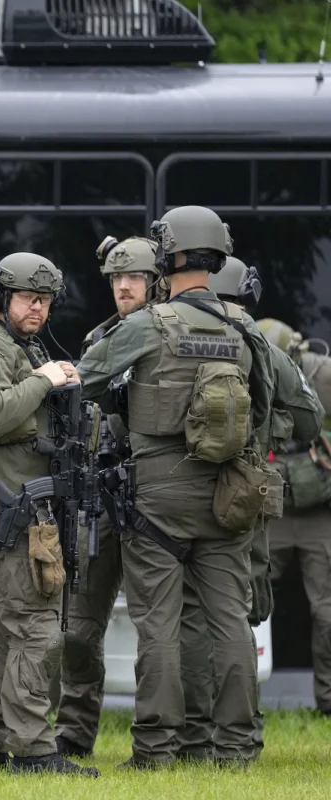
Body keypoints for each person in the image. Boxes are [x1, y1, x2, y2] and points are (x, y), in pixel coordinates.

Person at [77, 206, 274, 768]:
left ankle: (157, 750)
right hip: (226, 495)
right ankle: (238, 750)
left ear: (169, 257)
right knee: (230, 621)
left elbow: (84, 377)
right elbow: (263, 407)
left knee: (157, 626)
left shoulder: (148, 324)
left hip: (157, 497)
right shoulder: (243, 329)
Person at [0, 253, 97, 776]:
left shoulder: (19, 346)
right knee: (35, 626)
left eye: (46, 300)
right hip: (3, 505)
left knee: (6, 629)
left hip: (24, 501)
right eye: (30, 298)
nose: (39, 309)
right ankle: (32, 749)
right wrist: (46, 381)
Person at [207, 260, 324, 758]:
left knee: (199, 615)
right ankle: (233, 729)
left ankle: (187, 734)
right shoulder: (240, 345)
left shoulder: (308, 368)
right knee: (239, 608)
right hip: (249, 499)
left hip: (303, 508)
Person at [56, 236, 159, 758]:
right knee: (78, 627)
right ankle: (73, 736)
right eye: (117, 279)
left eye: (134, 277)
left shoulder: (167, 335)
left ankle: (161, 737)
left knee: (157, 627)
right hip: (99, 492)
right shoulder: (101, 337)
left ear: (154, 281)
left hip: (151, 498)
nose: (123, 286)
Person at [258, 316, 331, 718]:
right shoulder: (246, 374)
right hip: (271, 509)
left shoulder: (323, 377)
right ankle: (235, 702)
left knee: (327, 610)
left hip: (320, 510)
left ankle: (329, 702)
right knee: (245, 603)